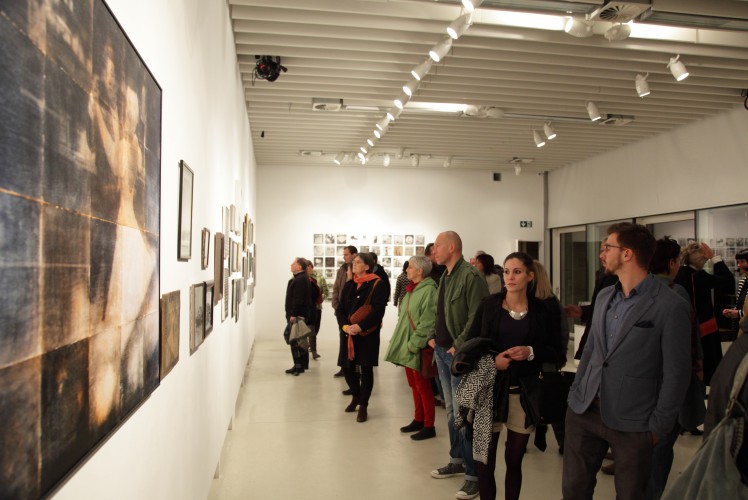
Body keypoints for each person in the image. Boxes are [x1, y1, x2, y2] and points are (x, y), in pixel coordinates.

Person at [562, 222, 691, 500]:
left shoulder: (670, 306)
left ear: (627, 253)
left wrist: (658, 426)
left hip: (635, 420)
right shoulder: (605, 295)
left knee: (631, 495)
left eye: (607, 247)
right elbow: (592, 350)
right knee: (573, 491)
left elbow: (677, 372)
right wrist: (576, 392)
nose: (602, 254)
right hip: (585, 410)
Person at [461, 253, 561, 500]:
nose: (510, 277)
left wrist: (530, 352)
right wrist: (492, 362)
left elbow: (557, 352)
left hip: (523, 394)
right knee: (485, 463)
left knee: (514, 461)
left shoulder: (542, 310)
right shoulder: (489, 305)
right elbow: (469, 347)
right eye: (506, 271)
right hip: (488, 393)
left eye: (517, 272)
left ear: (530, 276)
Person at [427, 231, 489, 500]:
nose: (434, 250)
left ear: (451, 247)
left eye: (438, 246)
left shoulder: (471, 276)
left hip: (459, 356)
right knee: (452, 412)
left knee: (465, 414)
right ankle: (457, 459)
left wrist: (459, 344)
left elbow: (478, 315)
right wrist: (433, 336)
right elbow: (440, 312)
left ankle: (473, 476)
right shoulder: (446, 276)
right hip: (442, 352)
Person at [643, 236, 705, 500]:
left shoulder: (637, 289)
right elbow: (687, 346)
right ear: (671, 263)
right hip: (664, 385)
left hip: (640, 386)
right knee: (659, 451)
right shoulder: (675, 293)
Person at [384, 255, 438, 440]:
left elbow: (428, 321)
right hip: (408, 345)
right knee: (414, 385)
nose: (406, 270)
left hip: (416, 346)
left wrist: (414, 344)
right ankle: (418, 419)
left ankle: (429, 425)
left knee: (423, 386)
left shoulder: (429, 290)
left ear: (420, 271)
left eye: (410, 267)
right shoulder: (412, 289)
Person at [336, 253, 388, 423]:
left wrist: (360, 326)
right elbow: (340, 309)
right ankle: (356, 396)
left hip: (367, 334)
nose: (354, 264)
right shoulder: (350, 284)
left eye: (358, 262)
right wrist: (345, 326)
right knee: (347, 368)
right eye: (353, 262)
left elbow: (378, 311)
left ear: (367, 266)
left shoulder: (377, 284)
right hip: (348, 333)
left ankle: (363, 405)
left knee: (366, 369)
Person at [674, 242, 733, 385]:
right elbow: (728, 281)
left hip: (683, 327)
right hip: (705, 329)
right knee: (707, 367)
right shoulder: (699, 276)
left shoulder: (679, 274)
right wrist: (714, 257)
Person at [531, 260, 569, 454]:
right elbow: (564, 332)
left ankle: (536, 433)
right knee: (552, 398)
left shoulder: (534, 303)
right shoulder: (553, 302)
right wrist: (561, 355)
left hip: (540, 358)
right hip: (550, 358)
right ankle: (563, 441)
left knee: (543, 397)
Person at [564, 238, 619, 360]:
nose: (601, 256)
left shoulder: (620, 282)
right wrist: (582, 311)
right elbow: (601, 310)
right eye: (601, 250)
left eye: (607, 250)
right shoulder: (604, 276)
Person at [285, 257, 313, 375]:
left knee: (295, 341)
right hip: (299, 314)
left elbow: (298, 299)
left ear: (299, 267)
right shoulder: (300, 278)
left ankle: (298, 367)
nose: (291, 265)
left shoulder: (300, 279)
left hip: (297, 315)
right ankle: (301, 365)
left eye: (294, 263)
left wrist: (293, 314)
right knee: (299, 340)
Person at [332, 245, 357, 377]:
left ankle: (354, 369)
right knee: (343, 339)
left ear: (354, 254)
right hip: (341, 310)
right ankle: (344, 367)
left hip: (352, 312)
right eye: (344, 254)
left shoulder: (357, 270)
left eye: (346, 254)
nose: (344, 257)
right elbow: (336, 287)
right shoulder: (342, 269)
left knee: (352, 340)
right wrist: (336, 305)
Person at [722, 248, 748, 331]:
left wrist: (738, 313)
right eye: (738, 262)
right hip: (742, 328)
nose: (739, 265)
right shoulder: (742, 282)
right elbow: (740, 306)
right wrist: (732, 311)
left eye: (742, 261)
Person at [306, 260, 325, 360]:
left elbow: (325, 290)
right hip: (307, 308)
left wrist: (321, 297)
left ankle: (311, 346)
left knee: (315, 328)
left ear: (311, 266)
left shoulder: (319, 277)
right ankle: (313, 351)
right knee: (311, 329)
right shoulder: (303, 279)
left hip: (317, 307)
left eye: (308, 267)